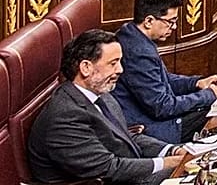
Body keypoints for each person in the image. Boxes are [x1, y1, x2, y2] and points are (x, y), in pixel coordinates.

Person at [28, 27, 188, 185]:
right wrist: (169, 163)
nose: (120, 70)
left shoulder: (100, 93)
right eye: (113, 63)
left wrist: (171, 150)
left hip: (126, 169)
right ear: (86, 68)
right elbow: (108, 168)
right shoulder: (65, 117)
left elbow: (126, 136)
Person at [112, 0, 217, 144]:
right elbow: (162, 107)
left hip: (161, 119)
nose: (174, 27)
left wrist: (196, 83)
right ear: (149, 21)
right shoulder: (138, 52)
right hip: (157, 130)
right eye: (171, 22)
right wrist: (210, 95)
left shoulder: (132, 35)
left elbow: (164, 80)